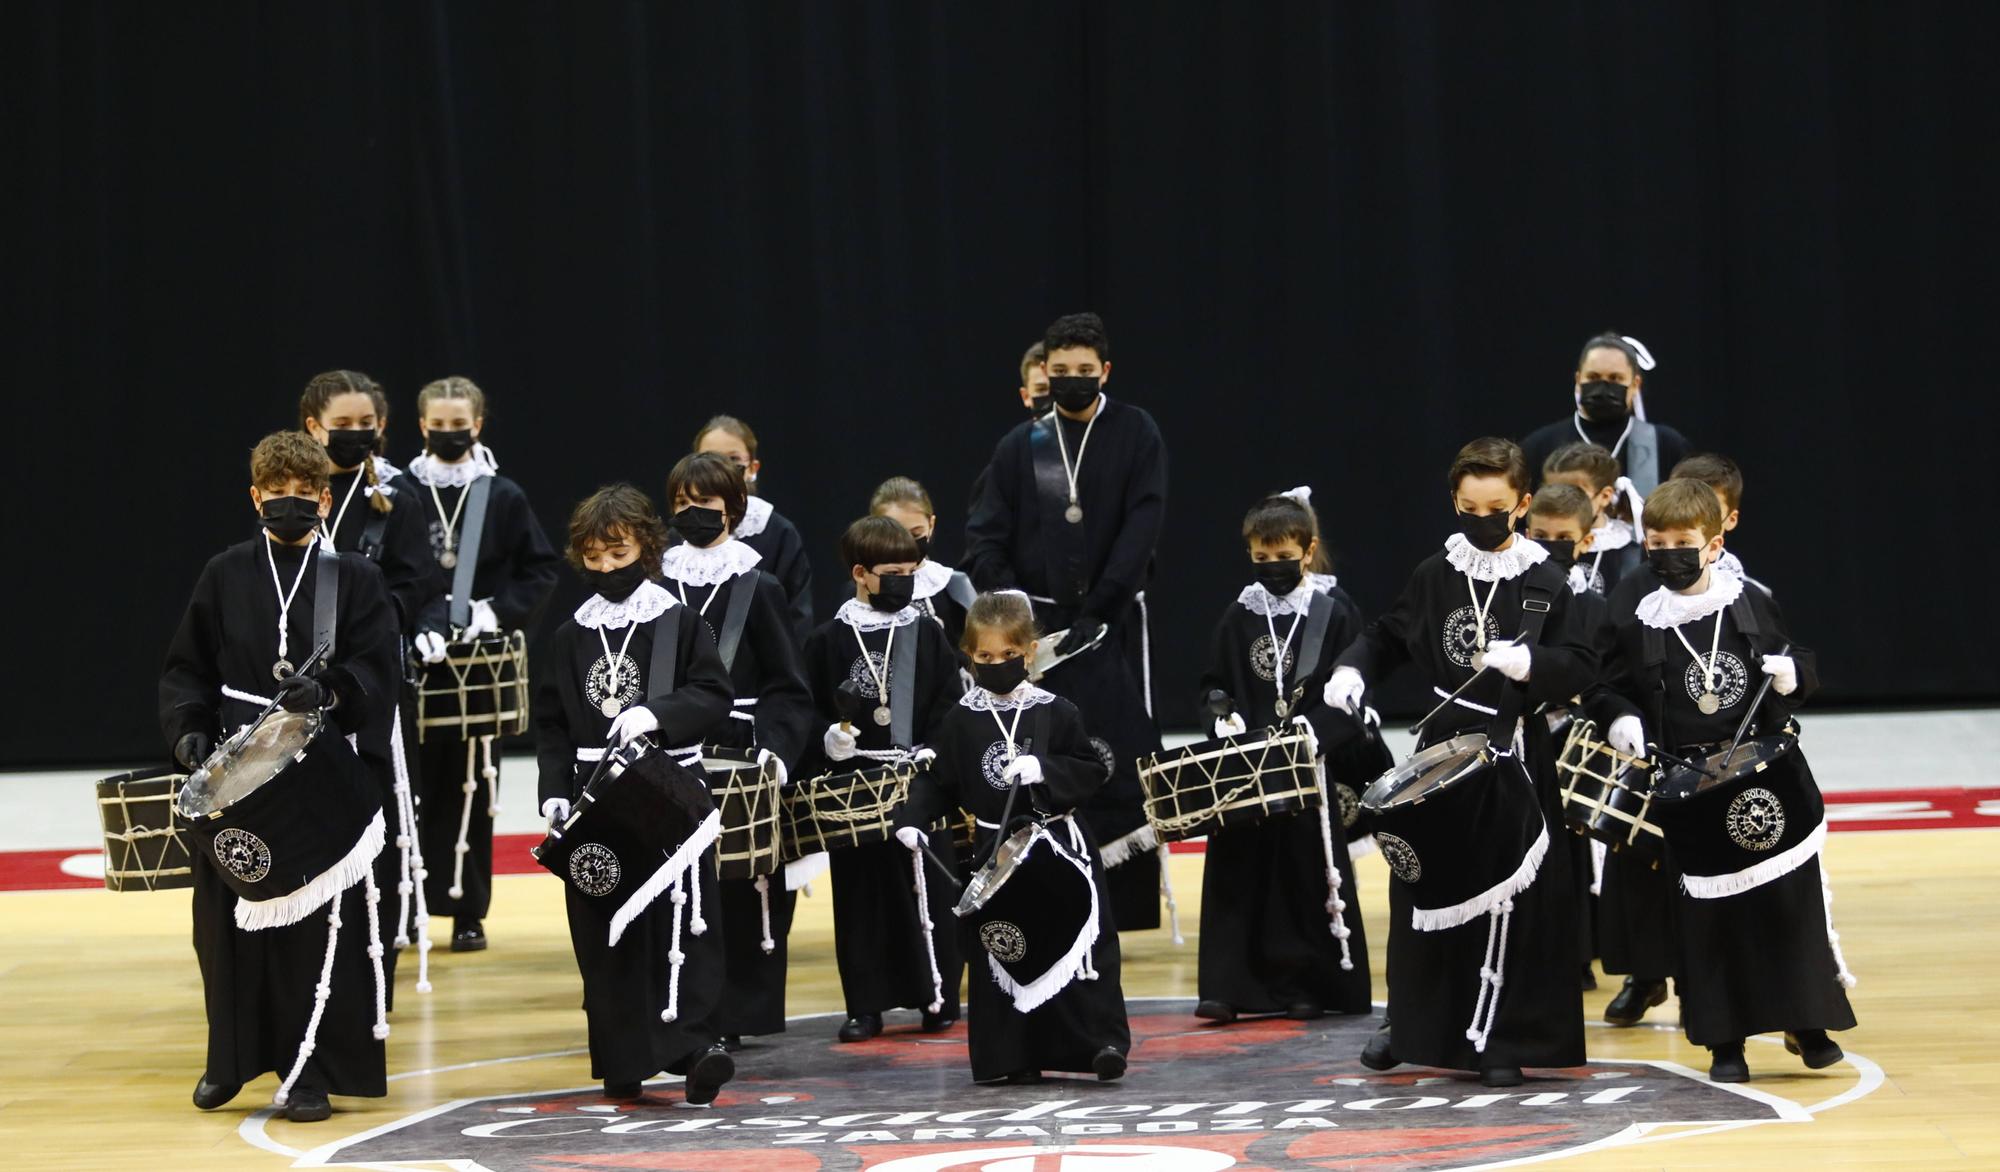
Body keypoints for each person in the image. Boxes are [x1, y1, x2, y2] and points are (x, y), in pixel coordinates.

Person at [1326, 437, 1595, 1087]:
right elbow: (1388, 635)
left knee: (1513, 899)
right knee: (1422, 887)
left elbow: (1585, 665)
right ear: (1454, 501)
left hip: (1514, 752)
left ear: (1523, 504)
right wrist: (1350, 669)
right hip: (1442, 748)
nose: (1482, 519)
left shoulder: (1549, 581)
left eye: (1496, 507)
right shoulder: (1434, 573)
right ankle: (1413, 1023)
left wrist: (1535, 666)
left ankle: (1502, 1035)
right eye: (1469, 507)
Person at [160, 431, 400, 1123]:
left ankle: (308, 1072)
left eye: (304, 495)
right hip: (238, 769)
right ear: (255, 497)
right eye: (277, 495)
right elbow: (186, 667)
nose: (290, 505)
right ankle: (230, 1060)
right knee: (224, 922)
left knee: (315, 930)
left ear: (325, 498)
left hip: (318, 770)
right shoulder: (226, 570)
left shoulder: (353, 575)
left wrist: (327, 693)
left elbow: (381, 667)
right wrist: (189, 731)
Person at [1593, 479, 1854, 1081]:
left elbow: (1800, 659)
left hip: (1767, 782)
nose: (1667, 554)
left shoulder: (1748, 601)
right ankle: (1725, 1041)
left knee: (1788, 907)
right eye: (1656, 543)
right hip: (1692, 790)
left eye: (1682, 542)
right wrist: (1622, 718)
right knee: (1711, 921)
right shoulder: (1636, 618)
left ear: (1713, 545)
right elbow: (1605, 687)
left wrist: (1795, 675)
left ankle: (1807, 1022)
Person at [964, 312, 1169, 932]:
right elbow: (985, 538)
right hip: (1040, 637)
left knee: (1115, 757)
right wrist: (1017, 614)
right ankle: (1042, 898)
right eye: (1061, 373)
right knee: (1036, 759)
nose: (1073, 381)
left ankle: (1122, 913)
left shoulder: (1136, 433)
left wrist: (1102, 605)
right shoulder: (1017, 447)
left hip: (1108, 628)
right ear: (1044, 375)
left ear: (1104, 372)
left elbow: (1144, 524)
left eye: (1085, 372)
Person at [534, 484, 738, 1103]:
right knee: (605, 927)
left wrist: (658, 714)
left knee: (685, 921)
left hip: (669, 788)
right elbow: (549, 724)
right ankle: (623, 1055)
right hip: (595, 794)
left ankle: (696, 1048)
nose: (606, 570)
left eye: (617, 554)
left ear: (646, 548)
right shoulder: (570, 634)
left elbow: (713, 694)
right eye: (592, 558)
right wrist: (552, 791)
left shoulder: (677, 621)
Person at [895, 591, 1130, 1084]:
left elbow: (1090, 770)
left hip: (1057, 846)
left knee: (1078, 946)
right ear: (969, 656)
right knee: (1005, 949)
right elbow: (939, 782)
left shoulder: (1057, 711)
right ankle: (1010, 1054)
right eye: (984, 657)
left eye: (1007, 656)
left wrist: (1045, 768)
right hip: (995, 854)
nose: (996, 665)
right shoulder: (960, 720)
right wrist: (913, 818)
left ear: (1028, 652)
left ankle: (1097, 1045)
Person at [1193, 489, 1378, 1023]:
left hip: (1305, 764)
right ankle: (1229, 987)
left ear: (1308, 547)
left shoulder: (1334, 610)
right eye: (1261, 557)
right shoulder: (1239, 614)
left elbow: (1352, 689)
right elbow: (1213, 682)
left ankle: (1305, 984)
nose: (1272, 566)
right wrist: (1218, 711)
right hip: (1248, 767)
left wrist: (1314, 732)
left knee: (1302, 877)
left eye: (1283, 555)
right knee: (1237, 871)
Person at [300, 370, 450, 997]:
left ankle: (375, 947)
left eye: (367, 425)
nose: (356, 434)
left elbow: (419, 584)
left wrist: (396, 620)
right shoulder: (291, 491)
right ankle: (301, 940)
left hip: (370, 681)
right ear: (313, 426)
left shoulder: (400, 495)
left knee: (378, 811)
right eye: (343, 425)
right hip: (297, 682)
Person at [660, 452, 815, 1048]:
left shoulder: (759, 584)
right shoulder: (655, 582)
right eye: (681, 503)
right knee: (677, 884)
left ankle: (732, 1014)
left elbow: (787, 686)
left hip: (740, 749)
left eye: (706, 502)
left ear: (734, 508)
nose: (692, 513)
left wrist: (775, 747)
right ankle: (678, 1003)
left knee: (737, 885)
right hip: (671, 747)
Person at [404, 376, 561, 952]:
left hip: (478, 665)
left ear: (479, 423)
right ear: (422, 426)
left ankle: (467, 911)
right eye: (438, 426)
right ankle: (407, 908)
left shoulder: (501, 495)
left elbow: (540, 570)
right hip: (414, 660)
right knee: (409, 789)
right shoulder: (398, 493)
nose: (450, 434)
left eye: (459, 424)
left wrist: (495, 612)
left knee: (473, 787)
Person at [800, 516, 966, 1042]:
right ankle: (865, 1005)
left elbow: (949, 704)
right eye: (892, 572)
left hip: (919, 778)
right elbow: (806, 709)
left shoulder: (928, 634)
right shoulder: (828, 640)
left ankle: (939, 996)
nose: (904, 581)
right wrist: (828, 740)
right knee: (861, 896)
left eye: (910, 571)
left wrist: (937, 750)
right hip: (855, 784)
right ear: (861, 573)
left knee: (932, 890)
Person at [1524, 482, 1615, 991]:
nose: (1551, 544)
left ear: (1584, 541)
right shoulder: (1515, 592)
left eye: (1564, 537)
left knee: (1575, 847)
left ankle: (1577, 952)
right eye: (1540, 534)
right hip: (1527, 729)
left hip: (1578, 733)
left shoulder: (1595, 605)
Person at [693, 415, 815, 643]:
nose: (722, 470)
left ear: (752, 468)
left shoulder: (779, 533)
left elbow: (797, 617)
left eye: (733, 459)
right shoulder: (678, 536)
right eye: (710, 460)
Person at [1521, 332, 1690, 496]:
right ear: (1578, 380)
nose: (1603, 387)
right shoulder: (1539, 447)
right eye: (1593, 377)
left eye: (1615, 378)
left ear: (1635, 384)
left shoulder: (1666, 446)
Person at [872, 476, 978, 652]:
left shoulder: (952, 586)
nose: (905, 545)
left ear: (931, 524)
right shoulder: (861, 591)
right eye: (894, 535)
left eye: (915, 534)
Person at [1541, 442, 1645, 595]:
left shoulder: (1630, 552)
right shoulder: (1535, 544)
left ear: (1604, 496)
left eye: (1575, 494)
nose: (1561, 503)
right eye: (1552, 492)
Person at [966, 341, 1051, 522]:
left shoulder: (1101, 449)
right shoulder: (1006, 463)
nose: (1051, 397)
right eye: (1041, 389)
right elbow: (983, 539)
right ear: (1026, 396)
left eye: (1056, 387)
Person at [1669, 453, 1770, 595]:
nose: (1693, 520)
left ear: (1731, 519)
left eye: (1710, 510)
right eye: (1684, 504)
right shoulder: (1637, 585)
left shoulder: (1753, 598)